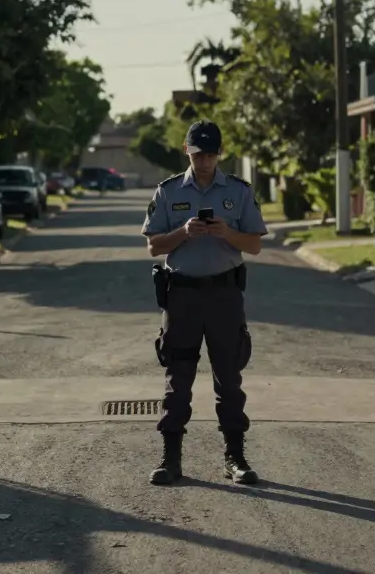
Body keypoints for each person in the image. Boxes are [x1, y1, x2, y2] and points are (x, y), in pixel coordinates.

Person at [140, 119, 268, 486]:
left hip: (224, 295)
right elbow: (153, 246)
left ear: (220, 154)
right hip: (181, 296)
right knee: (177, 379)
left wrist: (227, 233)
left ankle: (235, 456)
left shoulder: (239, 192)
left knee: (229, 377)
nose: (205, 161)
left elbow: (255, 245)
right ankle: (171, 458)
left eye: (211, 154)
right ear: (187, 150)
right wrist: (182, 233)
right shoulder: (167, 191)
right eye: (199, 154)